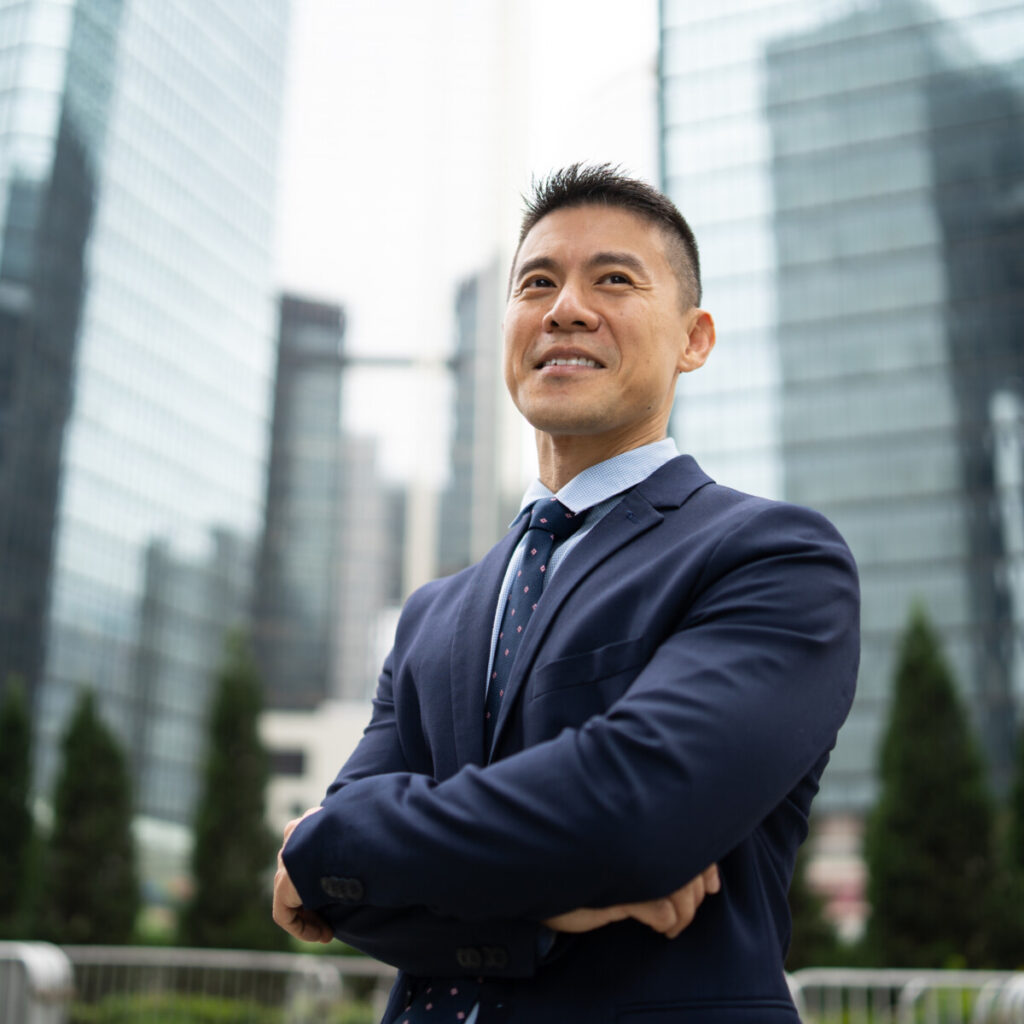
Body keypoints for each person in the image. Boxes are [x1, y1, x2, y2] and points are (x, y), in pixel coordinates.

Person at [273, 164, 860, 1023]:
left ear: (694, 339)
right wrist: (545, 908)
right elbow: (336, 898)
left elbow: (635, 807)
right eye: (536, 283)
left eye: (614, 279)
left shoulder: (772, 558)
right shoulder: (433, 612)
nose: (565, 308)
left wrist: (328, 844)